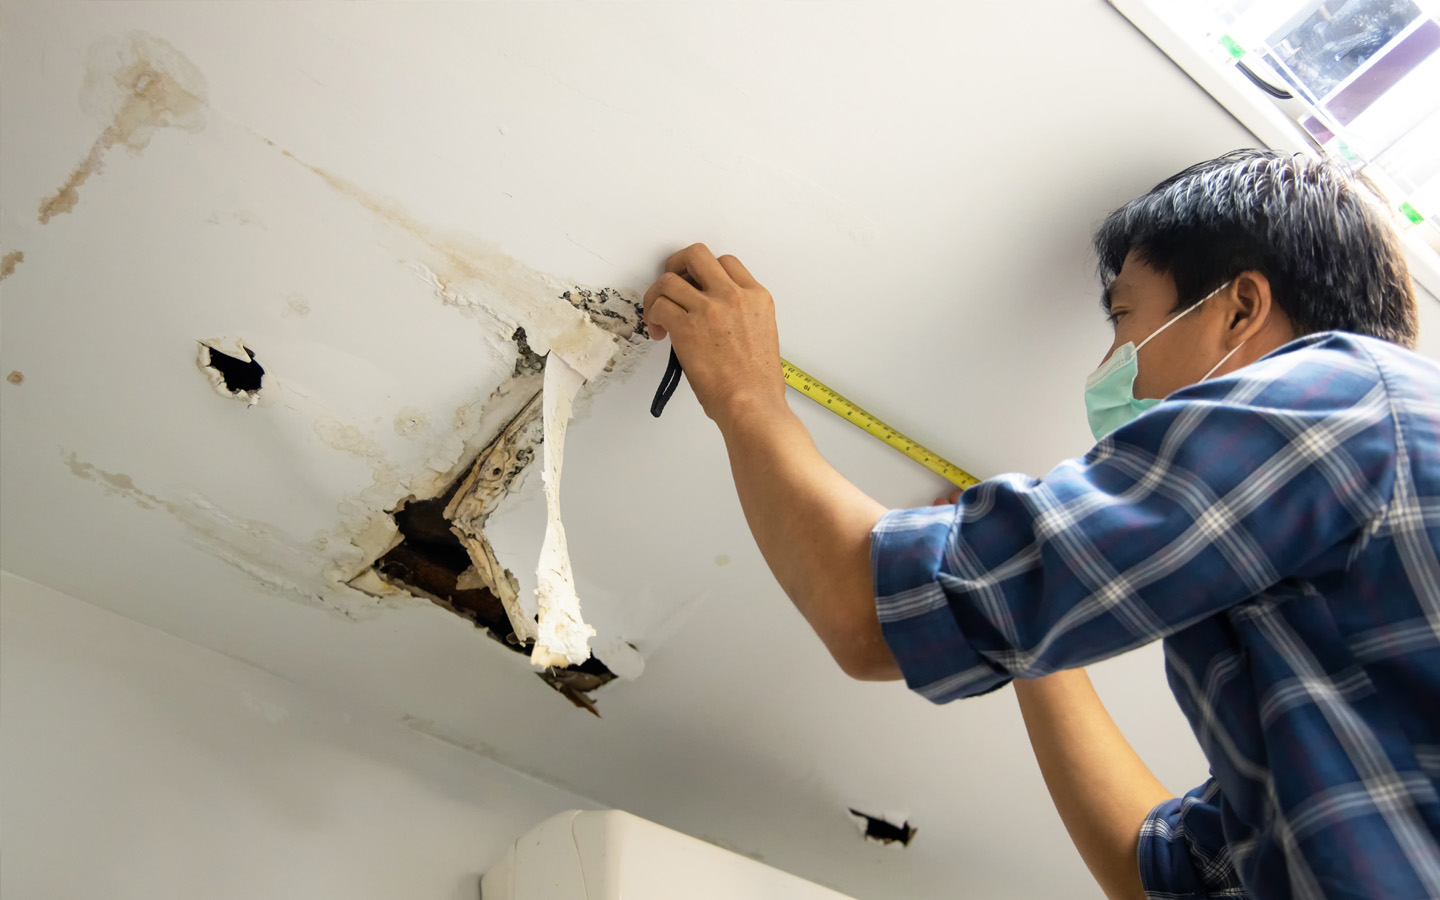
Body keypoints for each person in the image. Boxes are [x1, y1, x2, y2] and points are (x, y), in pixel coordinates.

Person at [641, 149, 1439, 899]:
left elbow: (864, 614)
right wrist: (1034, 634)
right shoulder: (1327, 643)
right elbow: (1161, 875)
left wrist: (748, 393)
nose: (1108, 368)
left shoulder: (1344, 397)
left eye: (1124, 318)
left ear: (1240, 309)